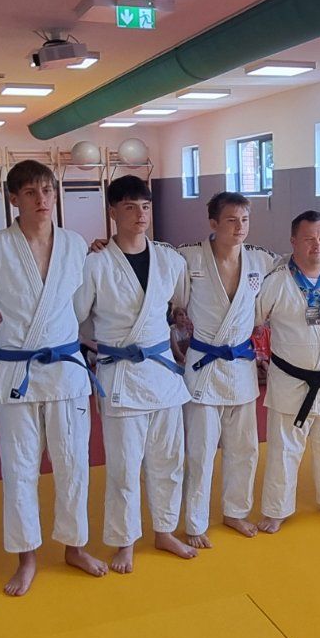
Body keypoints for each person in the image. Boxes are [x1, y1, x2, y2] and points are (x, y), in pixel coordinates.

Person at [0, 159, 107, 596]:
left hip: (66, 370)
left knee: (74, 463)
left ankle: (75, 546)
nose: (42, 199)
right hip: (18, 370)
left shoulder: (75, 245)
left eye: (48, 191)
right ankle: (26, 557)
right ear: (13, 198)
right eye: (31, 192)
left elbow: (83, 307)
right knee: (19, 468)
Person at [75, 174, 195, 572]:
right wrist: (104, 347)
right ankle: (124, 540)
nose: (140, 215)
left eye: (145, 207)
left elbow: (179, 303)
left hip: (162, 375)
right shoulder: (95, 263)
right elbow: (79, 318)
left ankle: (164, 530)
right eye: (130, 207)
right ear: (113, 211)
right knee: (124, 467)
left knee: (169, 460)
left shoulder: (170, 260)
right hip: (121, 375)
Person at [172, 191, 283, 547]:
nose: (240, 227)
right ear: (213, 223)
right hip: (203, 367)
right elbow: (150, 261)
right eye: (232, 220)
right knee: (200, 451)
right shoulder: (188, 258)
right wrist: (105, 245)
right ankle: (195, 523)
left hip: (241, 368)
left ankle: (235, 511)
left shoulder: (261, 260)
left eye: (245, 220)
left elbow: (296, 263)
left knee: (245, 448)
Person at [256, 211, 320, 532]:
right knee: (284, 449)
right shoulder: (276, 281)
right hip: (292, 384)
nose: (318, 245)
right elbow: (255, 319)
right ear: (293, 241)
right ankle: (277, 509)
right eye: (309, 239)